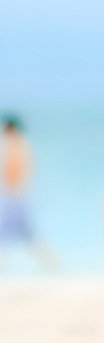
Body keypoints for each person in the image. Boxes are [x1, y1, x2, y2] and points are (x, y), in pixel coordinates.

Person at [1, 115, 57, 274]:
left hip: (15, 196)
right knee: (23, 234)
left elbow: (14, 170)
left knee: (20, 234)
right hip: (16, 195)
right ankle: (52, 264)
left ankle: (52, 263)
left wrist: (15, 191)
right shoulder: (18, 144)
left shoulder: (17, 144)